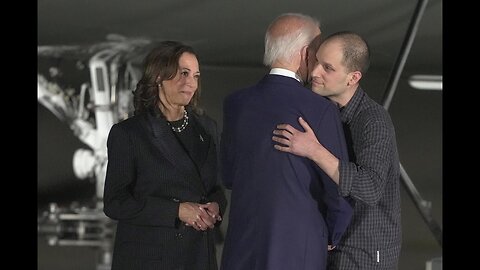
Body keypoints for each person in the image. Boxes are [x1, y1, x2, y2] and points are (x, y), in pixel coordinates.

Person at [220, 13, 353, 270]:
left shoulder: (235, 104)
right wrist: (333, 234)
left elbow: (228, 175)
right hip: (299, 245)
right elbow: (338, 189)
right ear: (306, 53)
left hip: (243, 241)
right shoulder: (320, 109)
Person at [272, 31, 401, 269]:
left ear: (353, 78)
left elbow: (370, 188)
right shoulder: (324, 114)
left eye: (328, 68)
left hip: (363, 253)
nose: (314, 72)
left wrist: (313, 150)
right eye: (317, 61)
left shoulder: (373, 120)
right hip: (328, 246)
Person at [103, 40, 227, 270]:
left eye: (196, 75)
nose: (191, 83)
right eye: (184, 73)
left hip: (200, 257)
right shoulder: (129, 134)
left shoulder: (207, 128)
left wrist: (216, 206)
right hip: (151, 260)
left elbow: (216, 187)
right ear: (159, 76)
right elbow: (115, 203)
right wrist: (177, 211)